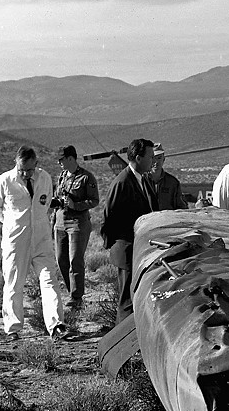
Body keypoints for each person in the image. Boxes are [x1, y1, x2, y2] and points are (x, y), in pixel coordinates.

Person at [0, 146, 68, 341]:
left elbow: (46, 203)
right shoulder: (6, 180)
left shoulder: (45, 179)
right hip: (16, 241)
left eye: (30, 170)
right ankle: (13, 328)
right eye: (22, 169)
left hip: (41, 238)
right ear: (16, 163)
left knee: (49, 280)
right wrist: (11, 224)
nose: (25, 174)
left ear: (36, 165)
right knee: (14, 283)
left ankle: (56, 324)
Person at [99, 138, 157, 323]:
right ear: (138, 158)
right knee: (127, 303)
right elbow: (110, 217)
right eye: (150, 156)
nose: (153, 161)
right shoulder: (123, 182)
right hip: (127, 250)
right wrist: (117, 244)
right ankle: (120, 346)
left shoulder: (143, 180)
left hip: (140, 250)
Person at [51, 145, 100, 310]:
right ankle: (72, 291)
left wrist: (75, 204)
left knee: (75, 260)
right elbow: (59, 196)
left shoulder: (86, 178)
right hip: (60, 221)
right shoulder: (62, 176)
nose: (59, 163)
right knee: (61, 259)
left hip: (78, 222)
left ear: (71, 158)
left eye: (62, 159)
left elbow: (94, 201)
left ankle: (76, 297)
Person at [150, 144, 187, 211]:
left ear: (163, 159)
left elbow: (181, 207)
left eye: (159, 158)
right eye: (153, 158)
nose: (156, 162)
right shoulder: (141, 180)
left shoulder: (172, 183)